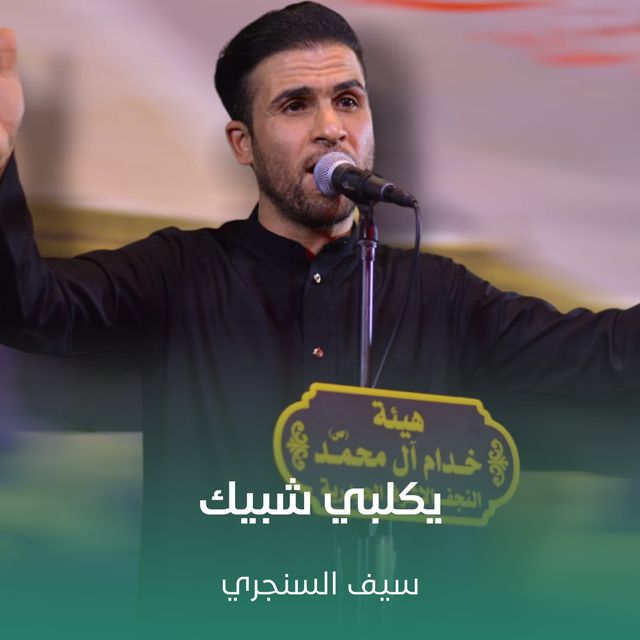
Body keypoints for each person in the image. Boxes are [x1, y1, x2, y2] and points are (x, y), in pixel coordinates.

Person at [1, 2, 639, 638]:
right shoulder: (179, 274)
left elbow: (603, 355)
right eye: (295, 105)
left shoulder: (440, 295)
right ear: (243, 143)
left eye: (348, 100)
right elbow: (30, 307)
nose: (331, 128)